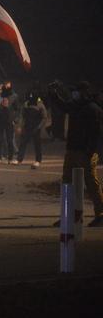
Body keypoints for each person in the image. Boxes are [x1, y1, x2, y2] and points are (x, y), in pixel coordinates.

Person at [49, 80, 103, 227]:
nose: (74, 94)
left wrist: (90, 151)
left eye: (77, 91)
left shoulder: (93, 109)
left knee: (91, 183)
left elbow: (96, 133)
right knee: (67, 182)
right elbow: (62, 106)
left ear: (84, 92)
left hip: (85, 152)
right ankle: (70, 215)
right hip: (73, 150)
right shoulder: (76, 106)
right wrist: (54, 94)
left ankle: (100, 214)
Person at [17, 90, 47, 169]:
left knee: (37, 144)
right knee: (23, 143)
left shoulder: (40, 105)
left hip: (36, 128)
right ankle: (19, 159)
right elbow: (22, 116)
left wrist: (39, 127)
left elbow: (44, 117)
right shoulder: (26, 104)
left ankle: (38, 160)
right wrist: (20, 126)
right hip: (27, 127)